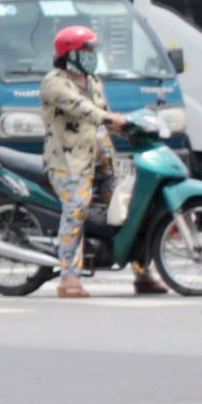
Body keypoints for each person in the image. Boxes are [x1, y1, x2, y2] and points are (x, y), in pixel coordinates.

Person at [39, 24, 150, 298]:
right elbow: (84, 110)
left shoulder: (94, 81)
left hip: (102, 160)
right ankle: (68, 279)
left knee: (132, 209)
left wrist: (133, 126)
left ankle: (142, 273)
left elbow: (105, 116)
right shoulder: (54, 82)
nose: (92, 54)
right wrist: (111, 118)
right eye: (87, 49)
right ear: (71, 54)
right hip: (69, 163)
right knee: (76, 209)